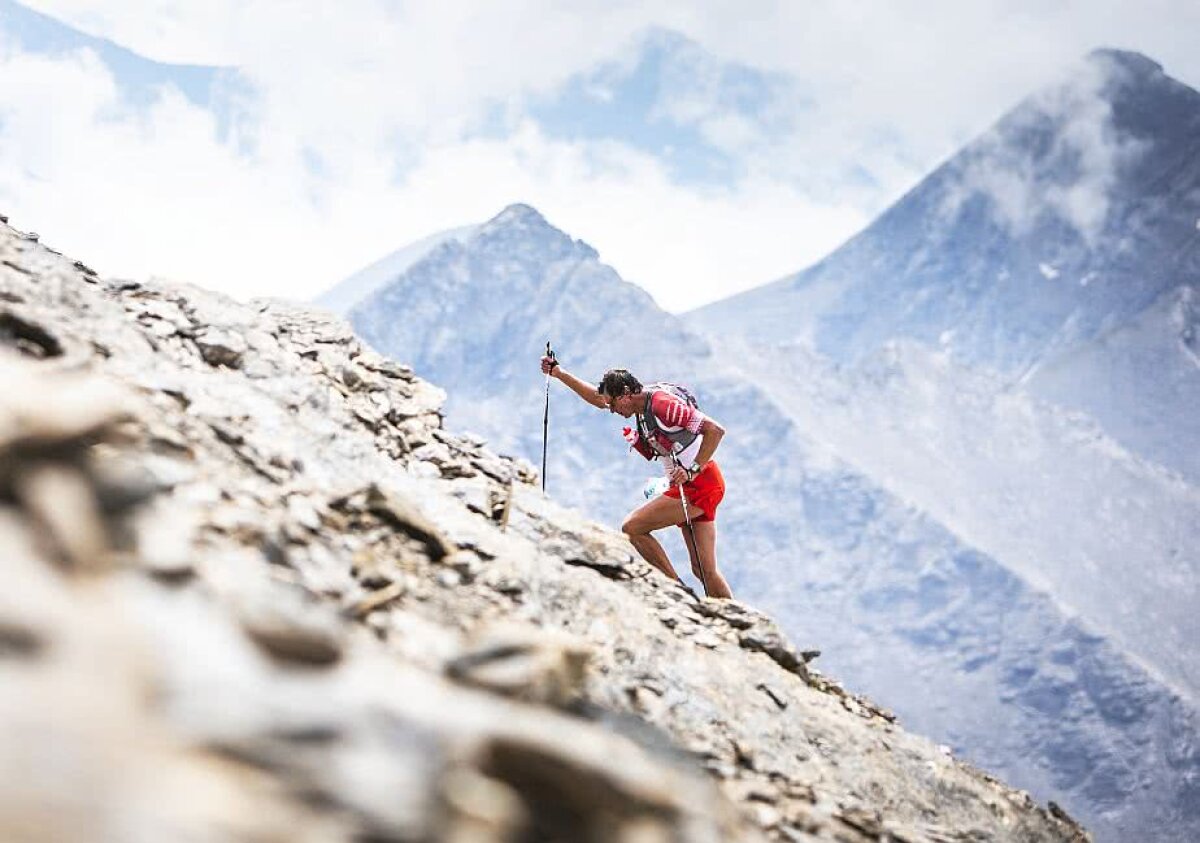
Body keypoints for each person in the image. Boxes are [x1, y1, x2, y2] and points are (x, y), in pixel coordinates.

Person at [540, 355, 733, 599]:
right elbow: (598, 399)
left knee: (632, 527)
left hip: (699, 483)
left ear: (625, 394)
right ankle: (738, 628)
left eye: (613, 405)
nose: (611, 410)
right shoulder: (638, 404)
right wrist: (559, 374)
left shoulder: (663, 406)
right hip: (699, 484)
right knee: (704, 569)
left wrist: (692, 469)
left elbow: (715, 431)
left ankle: (677, 593)